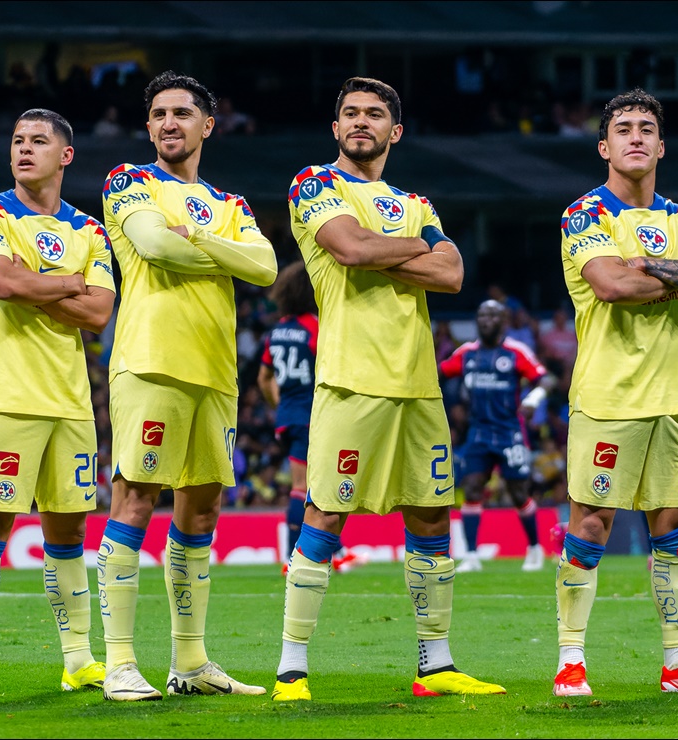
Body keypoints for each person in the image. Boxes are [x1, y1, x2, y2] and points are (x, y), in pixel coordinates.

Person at [271, 76, 504, 702]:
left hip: (418, 385)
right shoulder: (315, 184)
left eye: (374, 114)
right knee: (325, 512)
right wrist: (412, 250)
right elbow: (347, 249)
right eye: (349, 113)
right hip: (351, 379)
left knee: (430, 514)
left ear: (394, 131)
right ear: (335, 127)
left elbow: (453, 272)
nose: (360, 122)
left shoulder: (414, 199)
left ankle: (436, 664)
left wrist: (385, 249)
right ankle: (291, 669)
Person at [554, 88, 678, 697]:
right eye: (623, 129)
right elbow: (610, 286)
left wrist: (650, 269)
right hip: (608, 396)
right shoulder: (584, 214)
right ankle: (570, 661)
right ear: (605, 146)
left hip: (670, 399)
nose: (635, 137)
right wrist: (673, 275)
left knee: (676, 520)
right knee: (590, 524)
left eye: (646, 128)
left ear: (660, 146)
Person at [98, 70, 277, 701]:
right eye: (157, 115)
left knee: (202, 509)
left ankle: (190, 664)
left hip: (215, 372)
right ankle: (119, 663)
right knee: (135, 501)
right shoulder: (130, 181)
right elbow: (153, 246)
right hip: (152, 362)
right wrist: (220, 246)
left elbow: (266, 266)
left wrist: (197, 234)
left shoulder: (231, 202)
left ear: (209, 123)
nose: (168, 124)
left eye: (181, 113)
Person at [0, 108, 116, 699]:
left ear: (65, 155)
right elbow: (3, 284)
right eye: (17, 139)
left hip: (72, 404)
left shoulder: (91, 230)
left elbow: (99, 314)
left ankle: (78, 659)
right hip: (7, 398)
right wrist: (69, 281)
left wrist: (42, 282)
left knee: (68, 532)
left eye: (38, 141)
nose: (24, 149)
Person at [257, 262, 363, 575]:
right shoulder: (314, 327)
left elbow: (265, 378)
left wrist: (280, 402)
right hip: (313, 415)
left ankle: (336, 551)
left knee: (316, 485)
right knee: (304, 487)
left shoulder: (276, 331)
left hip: (289, 414)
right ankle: (294, 558)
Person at [438, 299, 549, 573]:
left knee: (518, 492)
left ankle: (535, 549)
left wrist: (533, 399)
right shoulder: (466, 353)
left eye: (493, 315)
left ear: (503, 321)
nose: (486, 320)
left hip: (509, 431)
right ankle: (473, 556)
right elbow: (438, 374)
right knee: (472, 488)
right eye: (482, 315)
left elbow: (545, 380)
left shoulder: (515, 352)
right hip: (477, 432)